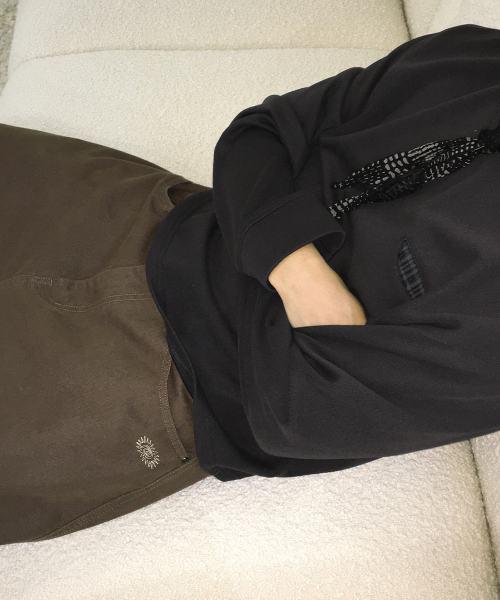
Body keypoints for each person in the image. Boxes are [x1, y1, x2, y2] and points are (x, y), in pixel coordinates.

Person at [1, 23, 499, 546]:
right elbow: (259, 130)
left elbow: (298, 412)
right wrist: (301, 275)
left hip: (164, 381)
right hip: (149, 211)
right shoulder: (479, 56)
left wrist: (267, 216)